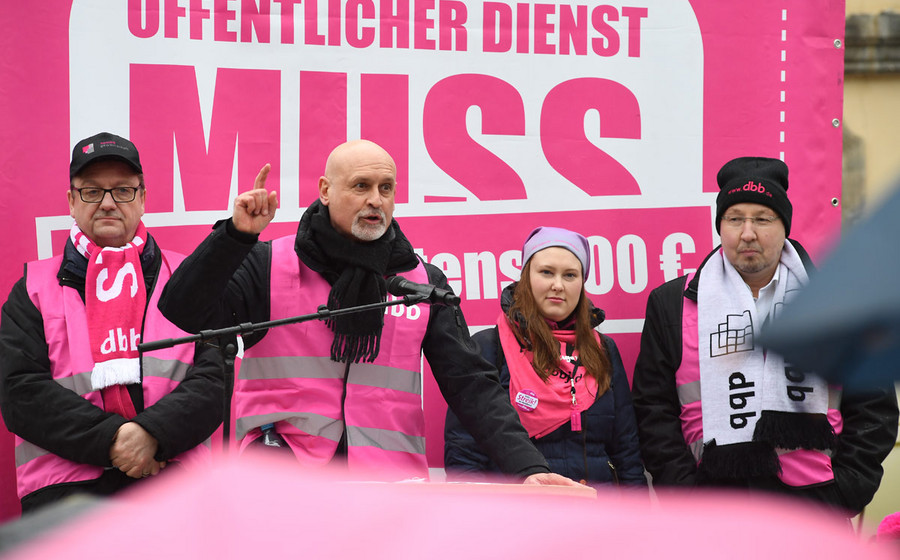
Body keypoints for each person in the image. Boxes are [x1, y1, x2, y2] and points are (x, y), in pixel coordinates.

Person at [158, 139, 583, 487]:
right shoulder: (268, 263)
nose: (375, 200)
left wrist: (528, 467)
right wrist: (234, 237)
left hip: (389, 491)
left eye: (386, 188)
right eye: (361, 186)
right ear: (325, 190)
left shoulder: (421, 283)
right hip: (282, 486)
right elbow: (182, 310)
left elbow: (472, 386)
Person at [631, 156, 899, 515]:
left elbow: (874, 407)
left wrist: (845, 490)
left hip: (816, 505)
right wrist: (685, 494)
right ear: (720, 225)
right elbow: (653, 410)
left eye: (762, 219)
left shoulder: (838, 300)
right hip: (711, 508)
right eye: (734, 218)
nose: (747, 233)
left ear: (784, 225)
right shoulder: (671, 303)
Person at [0, 132, 224, 513]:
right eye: (92, 191)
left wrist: (152, 435)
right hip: (66, 497)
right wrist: (116, 441)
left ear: (142, 199)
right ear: (71, 201)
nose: (107, 203)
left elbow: (214, 380)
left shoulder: (186, 277)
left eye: (122, 190)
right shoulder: (33, 289)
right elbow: (20, 392)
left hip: (176, 487)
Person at [444, 227, 646, 486]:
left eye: (570, 275)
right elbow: (464, 454)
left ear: (582, 283)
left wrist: (637, 509)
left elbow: (627, 453)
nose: (558, 285)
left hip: (598, 508)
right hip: (518, 509)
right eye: (546, 272)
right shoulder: (488, 348)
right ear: (526, 277)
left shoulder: (603, 350)